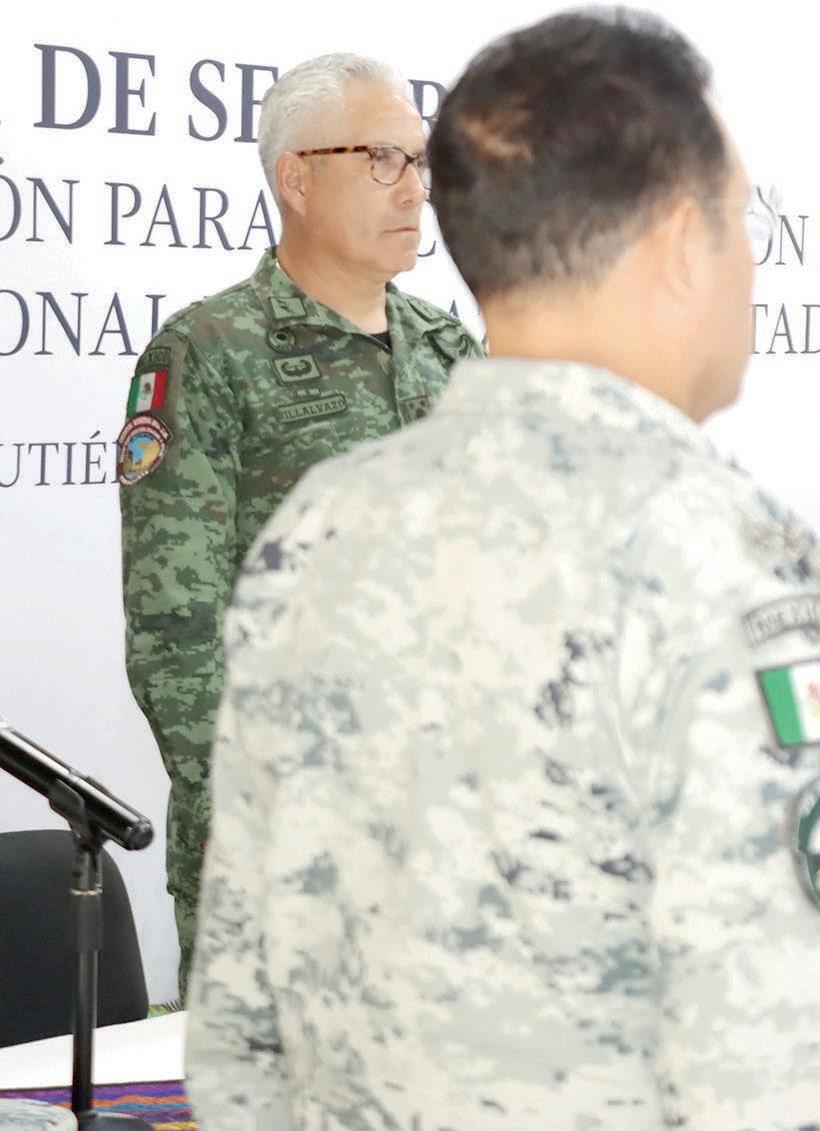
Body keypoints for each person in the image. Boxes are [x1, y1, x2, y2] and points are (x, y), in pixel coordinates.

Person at [185, 10, 820, 1128]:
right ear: (677, 244)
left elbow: (236, 1025)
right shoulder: (725, 560)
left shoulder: (320, 524)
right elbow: (774, 1073)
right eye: (741, 222)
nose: (751, 265)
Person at [118, 52, 481, 991]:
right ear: (298, 177)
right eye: (383, 159)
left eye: (420, 162)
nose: (415, 188)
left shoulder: (451, 353)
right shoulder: (209, 354)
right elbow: (174, 629)